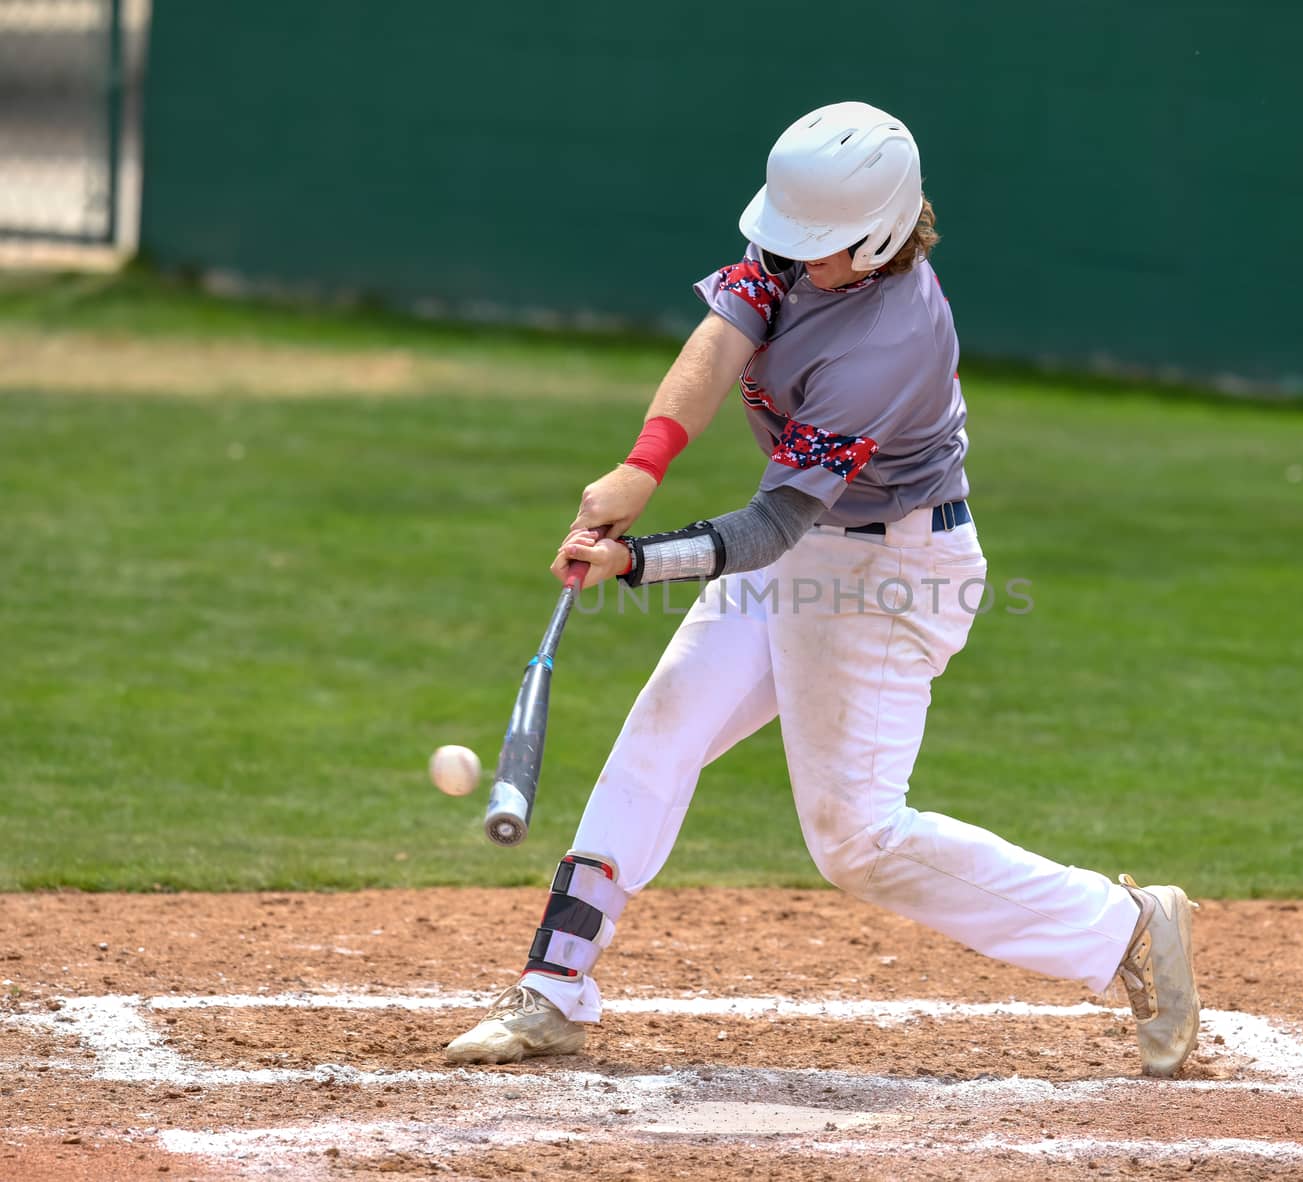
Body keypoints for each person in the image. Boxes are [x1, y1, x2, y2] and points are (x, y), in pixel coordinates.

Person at [445, 101, 1200, 1077]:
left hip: (886, 573)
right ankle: (553, 990)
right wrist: (644, 464)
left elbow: (769, 529)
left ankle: (1124, 928)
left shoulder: (893, 339)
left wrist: (634, 563)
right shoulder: (800, 246)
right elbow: (719, 341)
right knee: (664, 726)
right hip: (813, 551)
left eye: (820, 249)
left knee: (855, 839)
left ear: (881, 235)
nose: (795, 263)